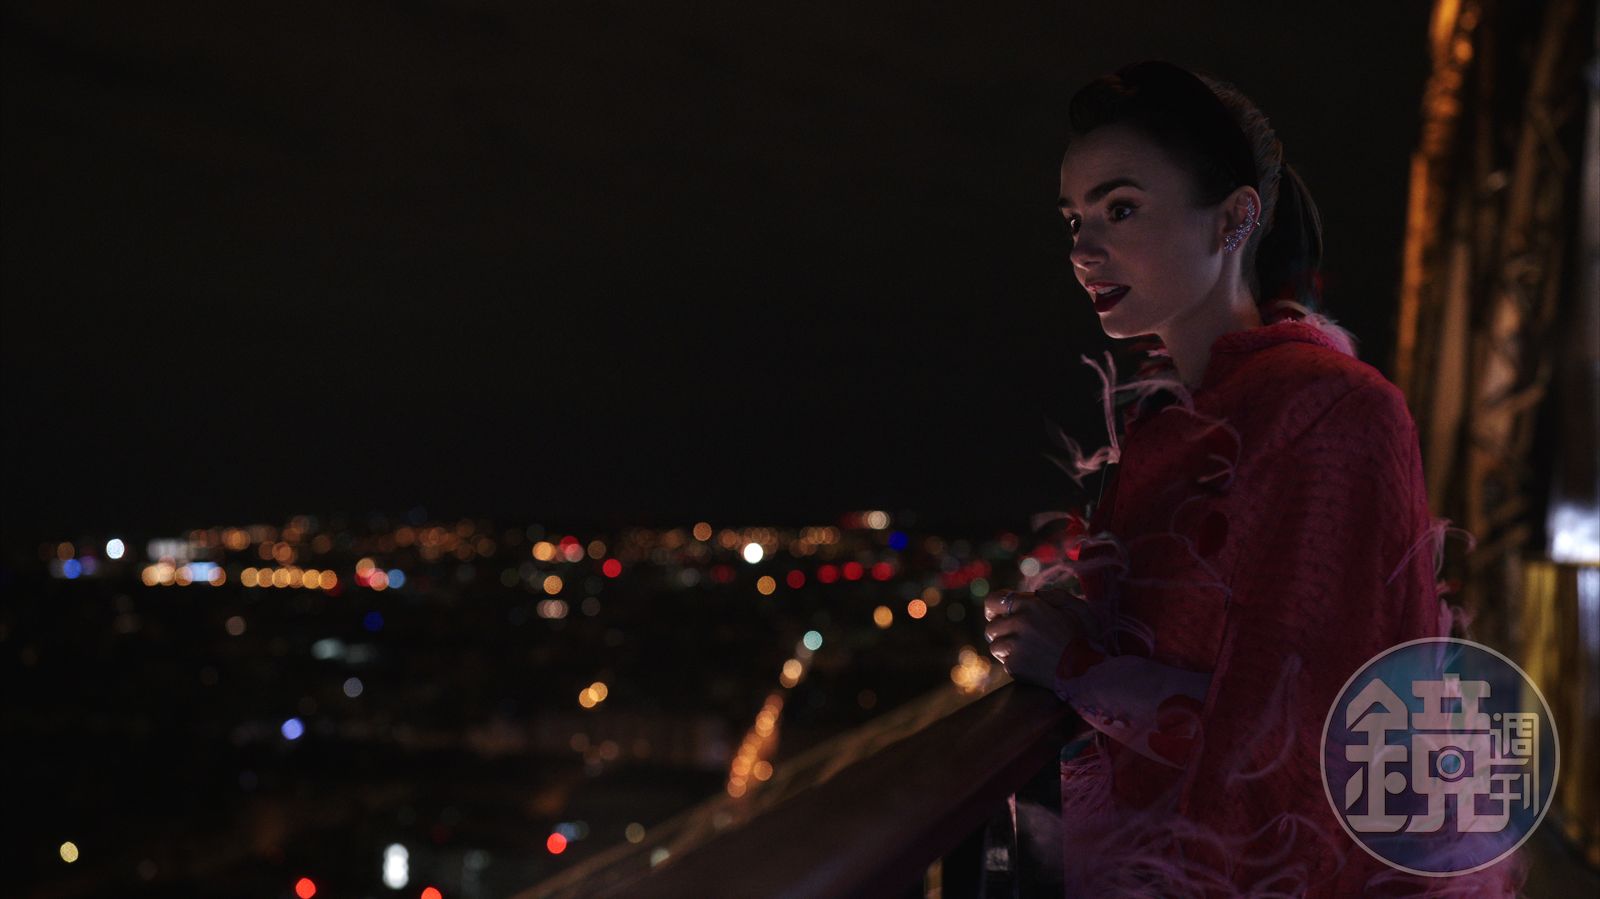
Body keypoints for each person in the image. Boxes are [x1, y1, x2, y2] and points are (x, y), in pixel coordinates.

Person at [983, 60, 1528, 897]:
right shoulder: (1166, 427)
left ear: (1235, 218)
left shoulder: (1333, 409)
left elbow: (1313, 730)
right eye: (1074, 219)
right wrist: (1079, 626)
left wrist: (1077, 665)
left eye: (1120, 208)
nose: (1083, 250)